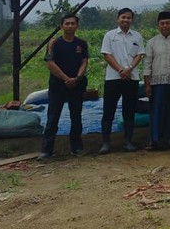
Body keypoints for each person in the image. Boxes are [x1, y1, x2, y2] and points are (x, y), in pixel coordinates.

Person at [40, 12, 89, 160]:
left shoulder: (82, 44)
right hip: (58, 85)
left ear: (77, 26)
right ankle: (46, 150)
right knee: (53, 117)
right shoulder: (54, 43)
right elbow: (50, 63)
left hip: (77, 85)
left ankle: (77, 148)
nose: (70, 26)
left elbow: (84, 61)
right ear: (61, 26)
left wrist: (77, 78)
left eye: (73, 23)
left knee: (76, 116)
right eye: (67, 23)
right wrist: (66, 79)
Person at [99, 8, 145, 154]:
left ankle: (128, 142)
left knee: (129, 110)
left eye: (129, 18)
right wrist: (121, 70)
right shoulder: (109, 35)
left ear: (132, 20)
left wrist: (129, 69)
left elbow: (139, 55)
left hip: (131, 77)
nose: (126, 20)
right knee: (109, 109)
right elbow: (107, 55)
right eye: (123, 17)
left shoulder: (137, 36)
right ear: (118, 19)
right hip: (113, 78)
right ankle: (106, 143)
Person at [143, 11, 170, 150]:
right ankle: (155, 140)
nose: (165, 26)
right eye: (162, 23)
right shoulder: (152, 42)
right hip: (157, 83)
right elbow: (147, 65)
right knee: (156, 111)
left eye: (167, 23)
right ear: (158, 25)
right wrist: (147, 85)